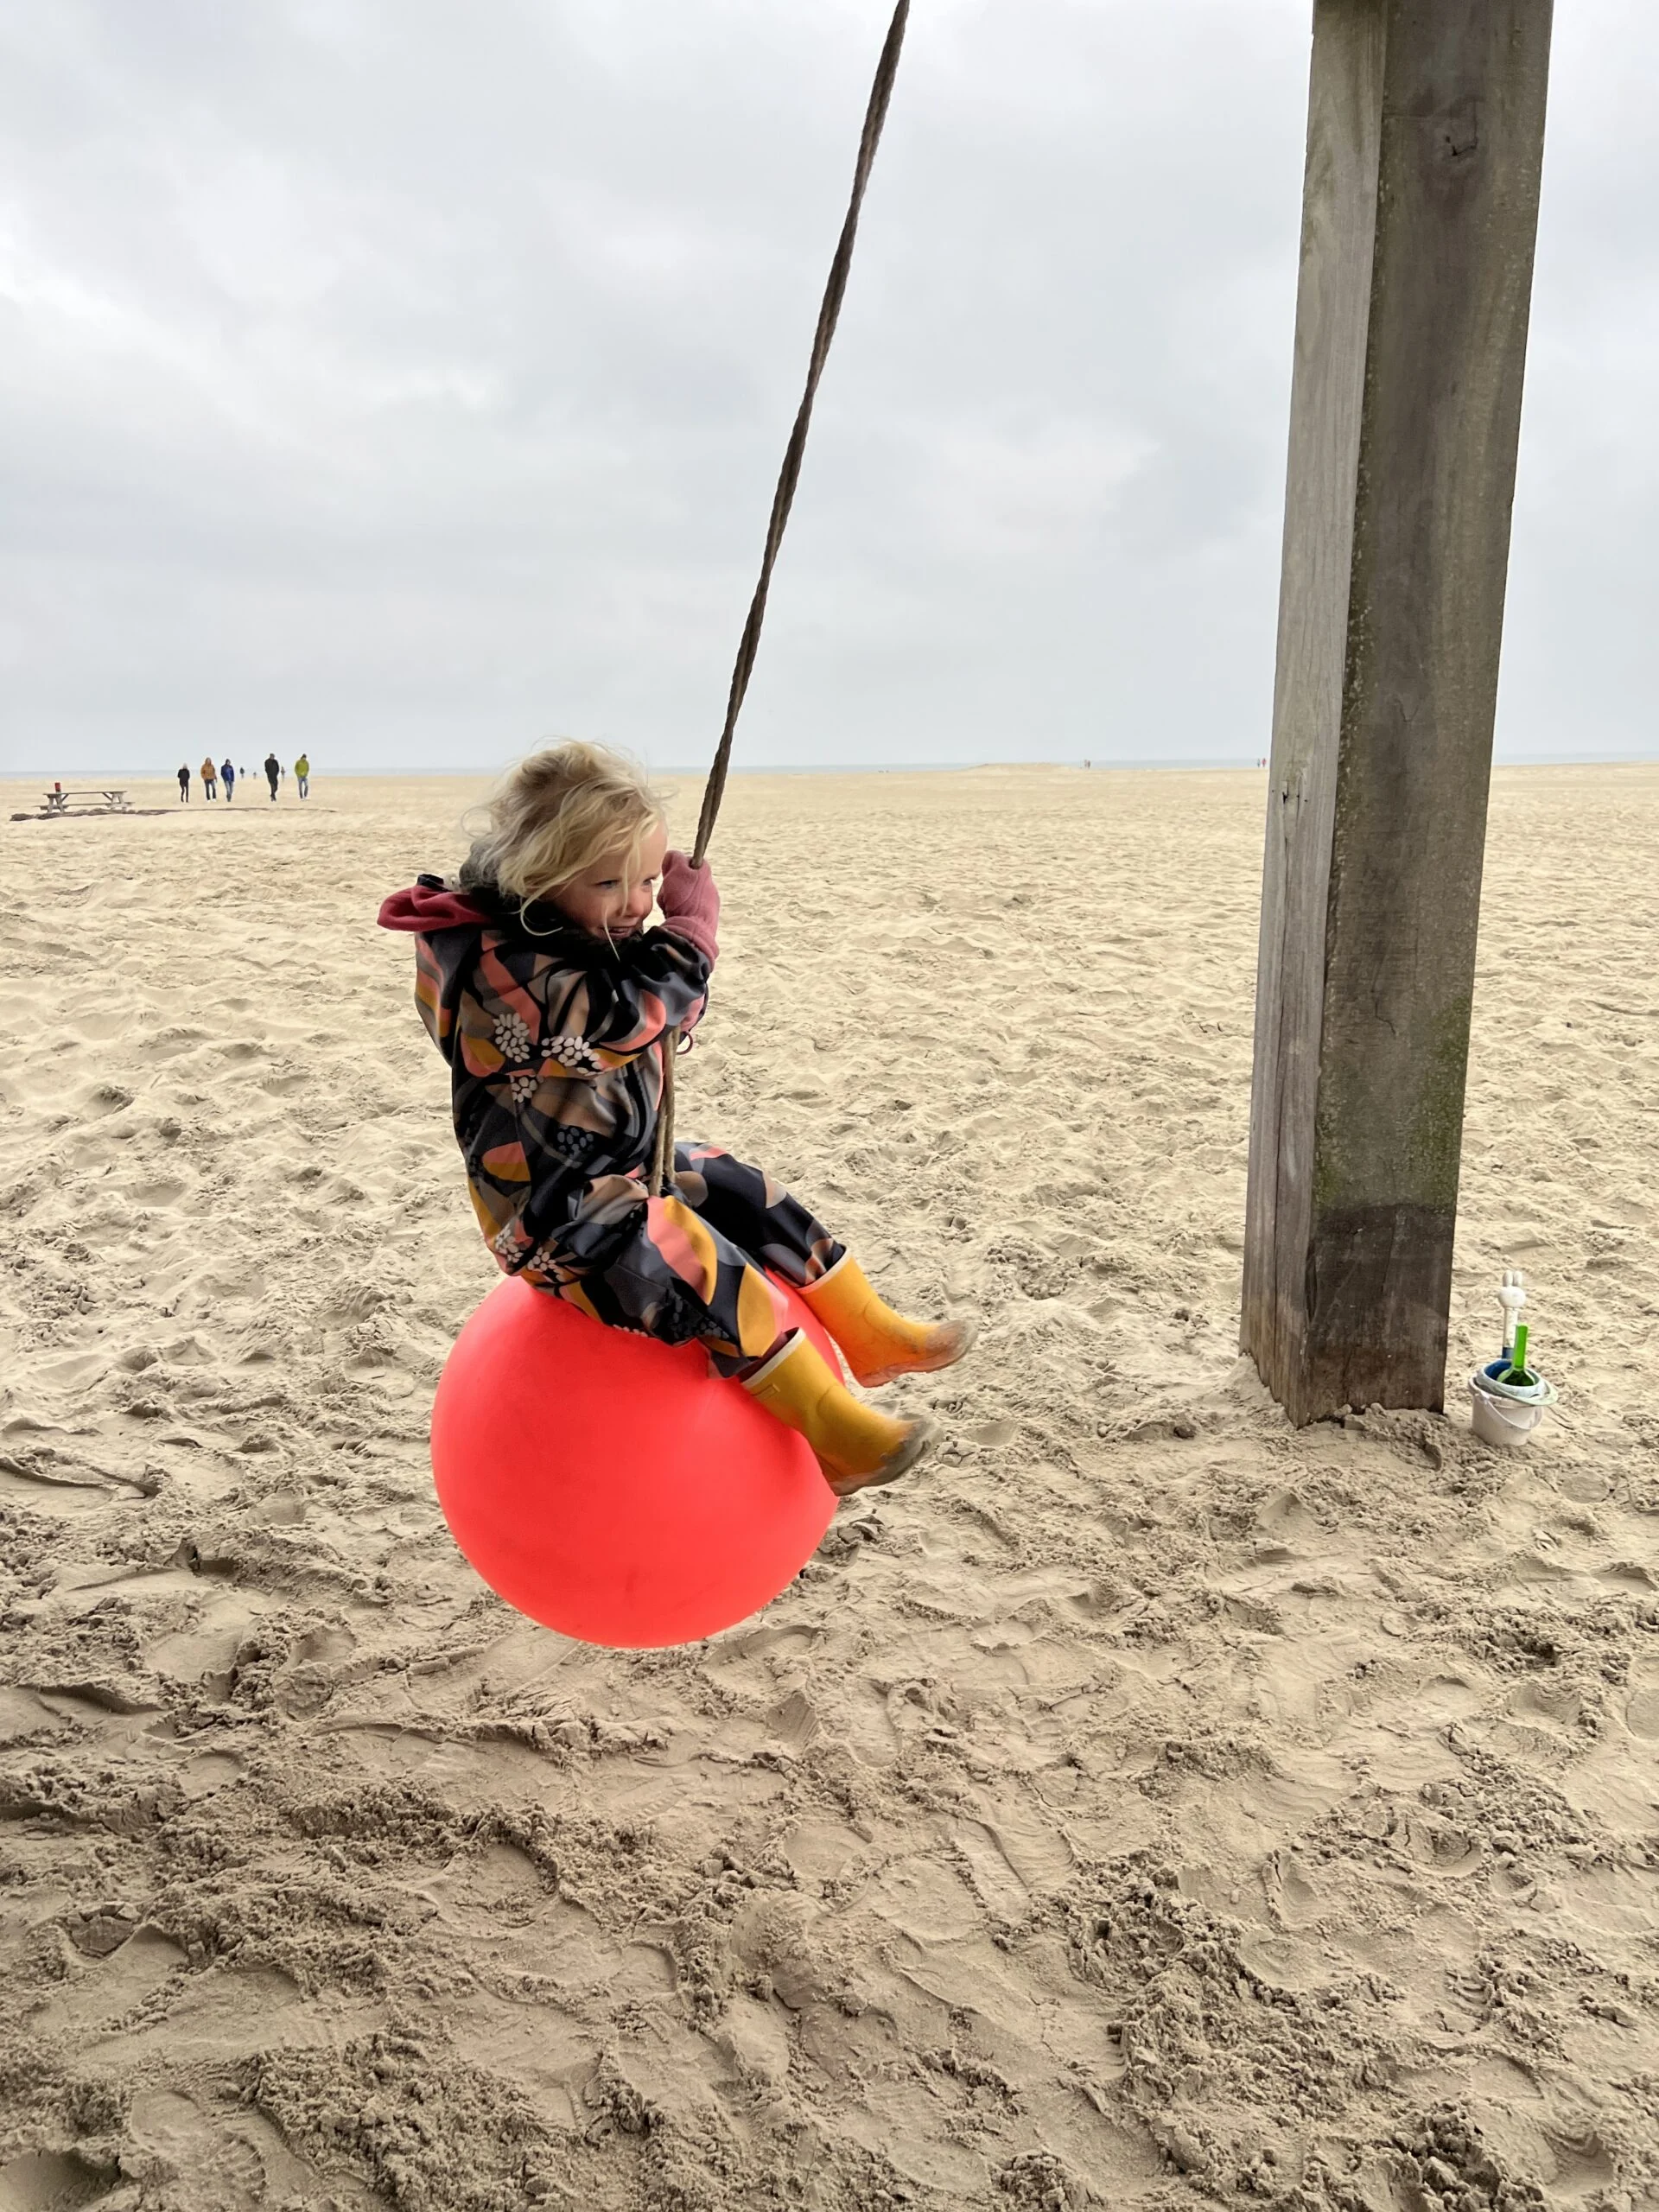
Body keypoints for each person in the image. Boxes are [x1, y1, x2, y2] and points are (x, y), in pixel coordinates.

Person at [378, 741, 972, 1497]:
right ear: (539, 876)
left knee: (728, 1179)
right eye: (608, 882)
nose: (637, 902)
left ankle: (868, 1329)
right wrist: (689, 936)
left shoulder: (569, 932)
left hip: (621, 1168)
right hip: (558, 1220)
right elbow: (624, 1017)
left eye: (651, 879)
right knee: (691, 1254)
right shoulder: (498, 973)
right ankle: (832, 1431)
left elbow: (657, 1016)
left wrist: (674, 957)